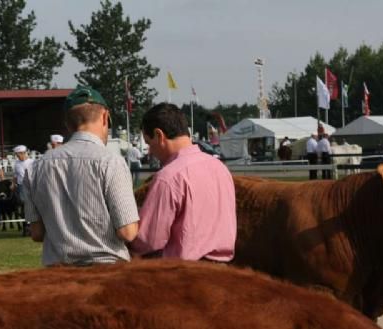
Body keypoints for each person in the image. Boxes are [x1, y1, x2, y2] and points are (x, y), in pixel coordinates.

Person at [24, 85, 139, 267]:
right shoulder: (112, 162)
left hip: (57, 274)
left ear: (68, 124)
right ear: (104, 117)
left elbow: (37, 233)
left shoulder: (36, 167)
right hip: (105, 271)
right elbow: (128, 232)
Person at [130, 103, 237, 262]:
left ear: (159, 136)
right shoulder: (220, 168)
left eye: (148, 143)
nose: (150, 151)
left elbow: (148, 241)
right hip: (223, 270)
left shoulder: (168, 177)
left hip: (184, 274)